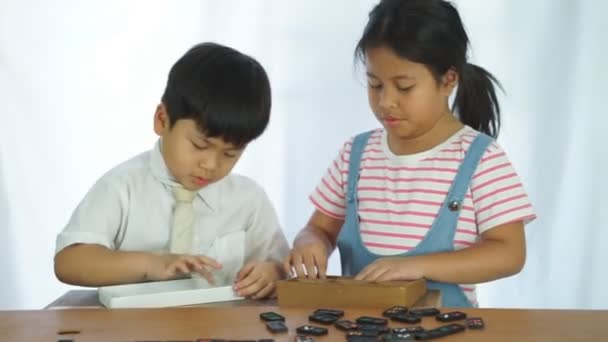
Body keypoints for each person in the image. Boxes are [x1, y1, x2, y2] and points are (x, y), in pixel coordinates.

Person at [284, 0, 536, 307]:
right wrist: (310, 243)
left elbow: (509, 253)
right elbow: (319, 228)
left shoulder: (481, 159)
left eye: (403, 87)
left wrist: (416, 266)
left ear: (448, 80)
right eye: (375, 84)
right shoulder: (355, 155)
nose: (386, 101)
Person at [54, 42, 289, 299]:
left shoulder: (249, 200)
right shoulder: (122, 187)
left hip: (220, 327)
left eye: (230, 153)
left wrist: (272, 274)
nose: (210, 164)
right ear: (162, 120)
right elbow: (69, 262)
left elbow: (281, 268)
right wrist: (151, 265)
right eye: (200, 145)